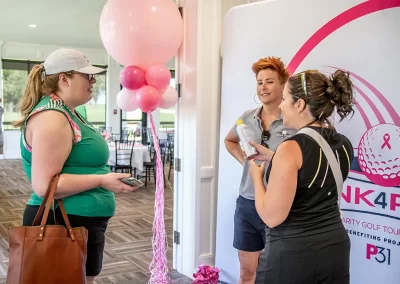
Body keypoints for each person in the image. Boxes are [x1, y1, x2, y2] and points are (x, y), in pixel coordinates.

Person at [13, 48, 139, 284]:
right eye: (87, 75)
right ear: (64, 78)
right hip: (62, 221)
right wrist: (102, 180)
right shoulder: (52, 117)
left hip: (78, 220)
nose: (93, 80)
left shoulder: (68, 112)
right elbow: (44, 186)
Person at [249, 69, 354, 283]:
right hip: (335, 248)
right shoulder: (344, 144)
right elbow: (314, 175)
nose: (280, 105)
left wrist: (257, 179)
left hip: (294, 255)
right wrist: (273, 158)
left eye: (285, 99)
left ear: (300, 105)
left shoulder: (290, 148)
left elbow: (271, 216)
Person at [224, 57, 296, 284]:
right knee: (247, 273)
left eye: (269, 81)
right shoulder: (246, 117)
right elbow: (230, 140)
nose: (263, 87)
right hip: (247, 204)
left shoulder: (294, 122)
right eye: (259, 82)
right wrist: (244, 162)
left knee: (277, 274)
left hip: (279, 205)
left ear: (283, 85)